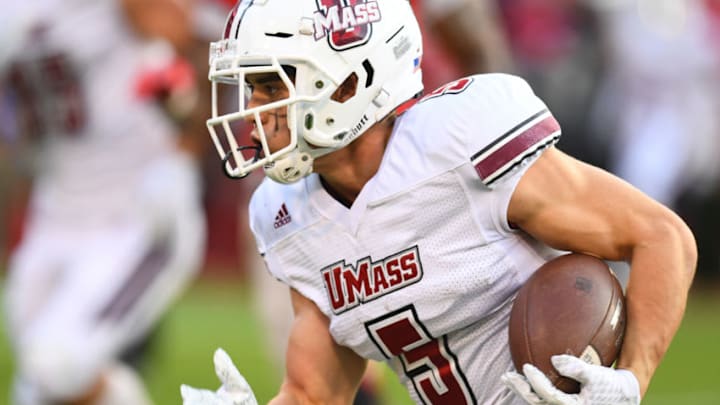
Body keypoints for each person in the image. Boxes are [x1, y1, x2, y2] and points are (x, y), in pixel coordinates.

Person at [181, 0, 696, 404]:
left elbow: (661, 237)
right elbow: (315, 392)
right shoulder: (288, 216)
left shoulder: (459, 143)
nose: (251, 112)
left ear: (347, 84)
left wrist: (630, 382)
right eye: (250, 88)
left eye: (271, 85)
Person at [0, 0, 215, 403]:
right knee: (36, 387)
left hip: (134, 215)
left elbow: (212, 50)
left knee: (57, 367)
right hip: (54, 212)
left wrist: (184, 152)